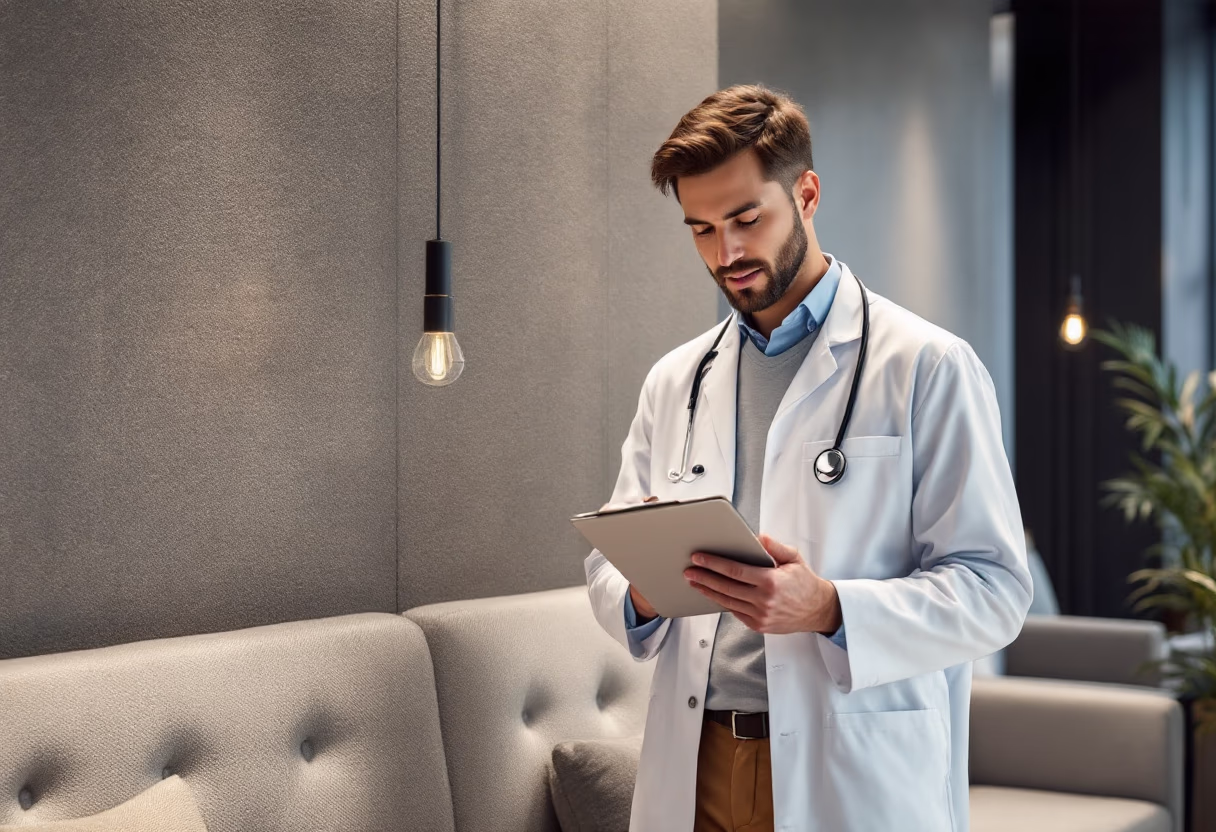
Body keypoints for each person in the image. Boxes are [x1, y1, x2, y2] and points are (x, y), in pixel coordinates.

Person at [584, 83, 1032, 832]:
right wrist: (642, 596)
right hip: (695, 765)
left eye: (744, 219)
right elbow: (608, 562)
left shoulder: (927, 366)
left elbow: (995, 591)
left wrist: (828, 608)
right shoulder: (675, 382)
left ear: (807, 194)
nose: (725, 254)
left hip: (846, 772)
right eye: (700, 230)